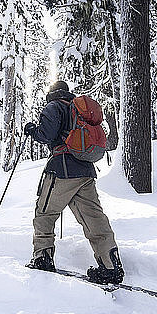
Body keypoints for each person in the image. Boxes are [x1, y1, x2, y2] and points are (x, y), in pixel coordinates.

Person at [24, 80, 124, 284]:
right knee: (93, 217)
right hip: (85, 171)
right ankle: (111, 264)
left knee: (45, 212)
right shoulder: (77, 109)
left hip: (62, 169)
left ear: (51, 92)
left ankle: (42, 257)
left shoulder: (54, 106)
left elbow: (46, 135)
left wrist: (32, 130)